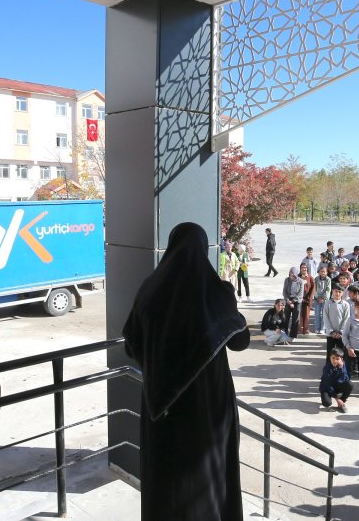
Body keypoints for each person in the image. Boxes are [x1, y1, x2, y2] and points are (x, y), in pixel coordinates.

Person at [122, 222, 251, 521]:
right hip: (207, 405)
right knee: (208, 473)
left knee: (167, 474)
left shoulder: (149, 289)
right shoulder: (216, 293)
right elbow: (241, 342)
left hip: (162, 407)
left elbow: (131, 347)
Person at [319, 348, 352, 413]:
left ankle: (341, 403)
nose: (334, 360)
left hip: (337, 386)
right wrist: (336, 398)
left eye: (337, 359)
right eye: (333, 358)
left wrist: (342, 369)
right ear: (330, 357)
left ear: (341, 360)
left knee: (350, 385)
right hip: (326, 388)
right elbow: (327, 384)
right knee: (327, 403)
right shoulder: (327, 368)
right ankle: (331, 397)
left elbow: (346, 379)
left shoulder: (343, 365)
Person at [323, 286, 351, 358]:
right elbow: (325, 318)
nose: (337, 293)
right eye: (336, 291)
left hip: (341, 334)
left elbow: (346, 319)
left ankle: (340, 368)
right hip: (330, 334)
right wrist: (331, 331)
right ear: (332, 291)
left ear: (342, 293)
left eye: (339, 292)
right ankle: (329, 368)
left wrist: (341, 332)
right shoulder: (328, 303)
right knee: (330, 352)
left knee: (341, 353)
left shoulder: (346, 304)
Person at [282, 267, 304, 338]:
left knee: (295, 319)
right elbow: (284, 291)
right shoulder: (287, 280)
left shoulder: (301, 281)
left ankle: (293, 335)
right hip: (288, 300)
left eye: (293, 275)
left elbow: (300, 294)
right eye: (291, 274)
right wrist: (288, 300)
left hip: (297, 301)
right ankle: (284, 333)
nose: (292, 276)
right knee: (285, 317)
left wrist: (293, 301)